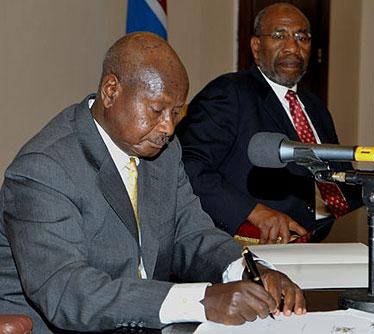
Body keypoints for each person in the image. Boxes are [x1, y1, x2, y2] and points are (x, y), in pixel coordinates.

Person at [0, 32, 306, 333]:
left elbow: (193, 232)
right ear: (110, 91)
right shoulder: (43, 168)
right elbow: (67, 291)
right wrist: (200, 300)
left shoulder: (163, 151)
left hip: (149, 322)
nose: (168, 128)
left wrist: (250, 270)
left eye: (176, 113)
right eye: (157, 110)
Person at [176, 3, 361, 245]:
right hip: (274, 241)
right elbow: (189, 167)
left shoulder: (315, 107)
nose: (292, 48)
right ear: (256, 46)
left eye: (301, 38)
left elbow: (340, 177)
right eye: (279, 36)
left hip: (335, 232)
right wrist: (253, 211)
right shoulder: (230, 93)